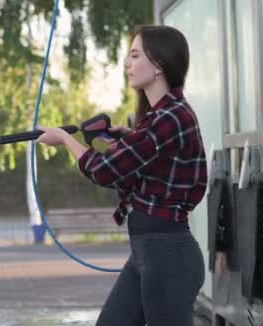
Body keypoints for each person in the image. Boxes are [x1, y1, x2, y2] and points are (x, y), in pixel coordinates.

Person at [35, 25, 207, 326]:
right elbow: (153, 156)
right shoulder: (160, 118)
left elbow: (103, 172)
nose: (127, 63)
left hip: (168, 255)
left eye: (135, 55)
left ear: (158, 65)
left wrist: (65, 139)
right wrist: (128, 136)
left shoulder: (169, 117)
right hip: (149, 252)